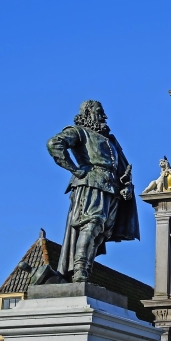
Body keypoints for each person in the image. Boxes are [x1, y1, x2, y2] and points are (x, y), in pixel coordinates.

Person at [47, 100, 139, 282]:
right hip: (91, 183)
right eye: (99, 112)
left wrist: (126, 186)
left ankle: (84, 273)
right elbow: (54, 144)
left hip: (111, 188)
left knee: (100, 233)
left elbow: (123, 168)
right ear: (88, 113)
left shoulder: (110, 140)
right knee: (92, 224)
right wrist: (74, 169)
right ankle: (79, 270)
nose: (104, 116)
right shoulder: (79, 132)